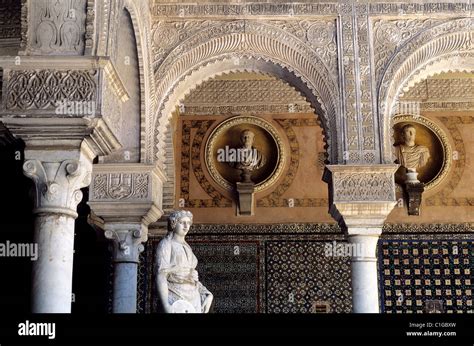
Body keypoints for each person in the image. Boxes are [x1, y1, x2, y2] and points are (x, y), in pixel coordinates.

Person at [155, 210, 213, 313]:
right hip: (175, 294)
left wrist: (207, 294)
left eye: (189, 223)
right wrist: (166, 305)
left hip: (194, 297)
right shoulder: (166, 244)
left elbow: (191, 278)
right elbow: (161, 275)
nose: (186, 226)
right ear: (173, 224)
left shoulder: (188, 248)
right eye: (182, 222)